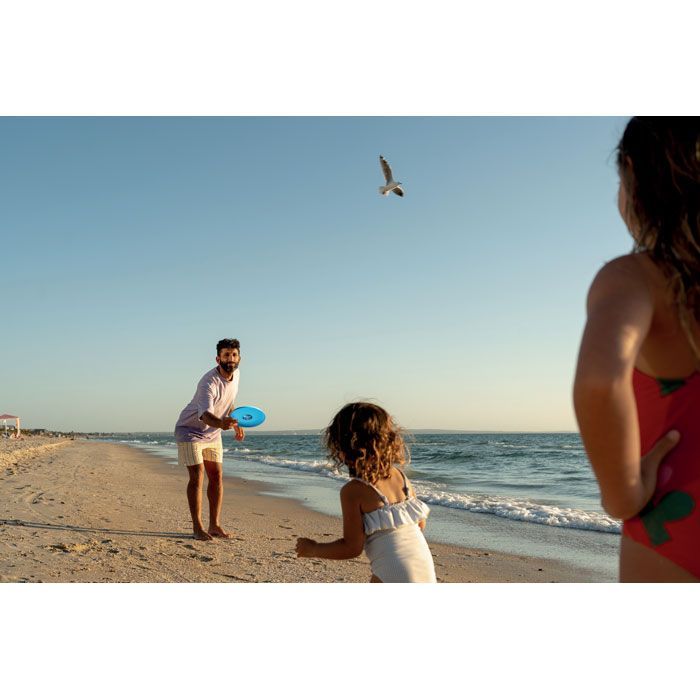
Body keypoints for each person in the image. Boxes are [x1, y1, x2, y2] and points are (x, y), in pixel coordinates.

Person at [574, 117, 700, 582]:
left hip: (679, 516)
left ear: (631, 173)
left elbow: (599, 382)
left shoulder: (638, 277)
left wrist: (623, 493)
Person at [296, 402, 436, 582]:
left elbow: (351, 548)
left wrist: (314, 549)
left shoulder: (353, 491)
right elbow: (420, 524)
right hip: (423, 565)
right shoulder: (401, 477)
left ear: (344, 447)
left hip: (393, 569)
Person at [174, 338, 245, 541]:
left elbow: (229, 402)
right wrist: (222, 424)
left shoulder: (237, 375)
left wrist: (236, 422)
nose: (230, 359)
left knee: (217, 477)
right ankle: (197, 527)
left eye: (234, 355)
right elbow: (205, 415)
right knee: (197, 475)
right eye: (226, 355)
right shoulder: (208, 382)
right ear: (218, 359)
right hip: (190, 431)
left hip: (212, 433)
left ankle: (214, 525)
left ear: (239, 358)